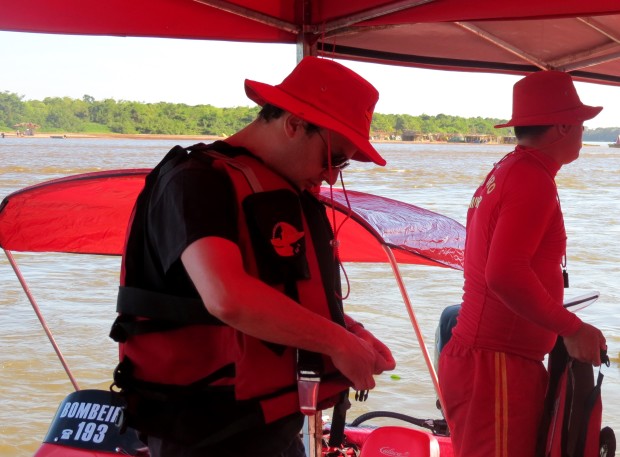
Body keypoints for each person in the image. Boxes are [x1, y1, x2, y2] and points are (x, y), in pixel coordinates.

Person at [109, 56, 396, 457]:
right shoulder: (196, 181)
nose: (332, 176)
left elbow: (280, 295)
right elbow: (226, 296)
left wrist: (349, 331)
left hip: (270, 422)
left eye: (342, 164)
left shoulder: (281, 192)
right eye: (333, 158)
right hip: (205, 431)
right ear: (294, 124)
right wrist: (338, 344)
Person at [438, 71, 607, 457]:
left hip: (495, 363)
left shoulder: (511, 169)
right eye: (580, 122)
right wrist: (571, 327)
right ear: (563, 126)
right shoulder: (531, 179)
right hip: (494, 365)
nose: (583, 131)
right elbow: (504, 275)